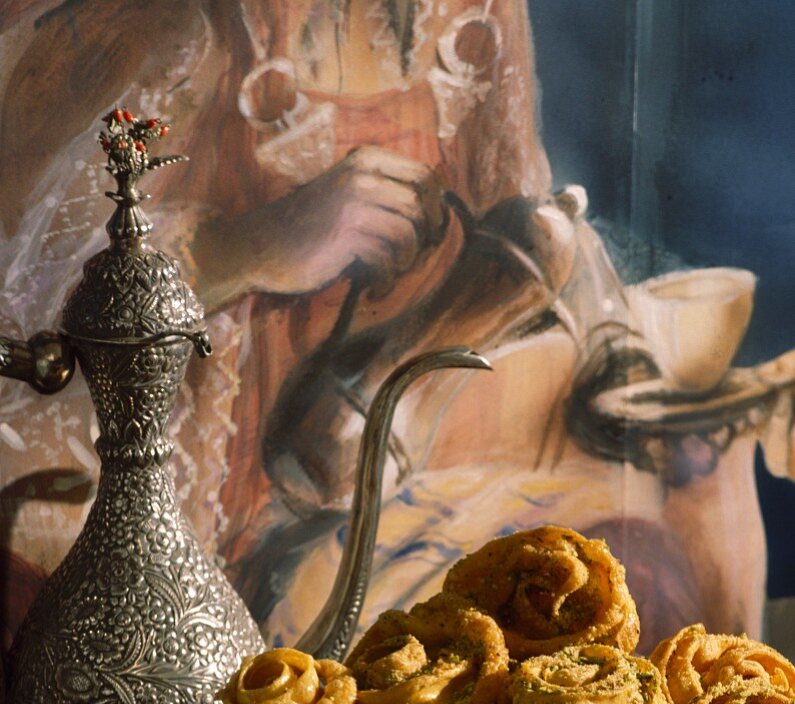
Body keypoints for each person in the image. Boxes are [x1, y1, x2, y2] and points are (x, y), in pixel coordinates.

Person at [0, 0, 787, 669]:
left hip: (411, 442)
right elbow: (38, 302)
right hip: (207, 481)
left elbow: (506, 241)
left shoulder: (472, 17)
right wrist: (257, 246)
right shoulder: (172, 31)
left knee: (677, 517)